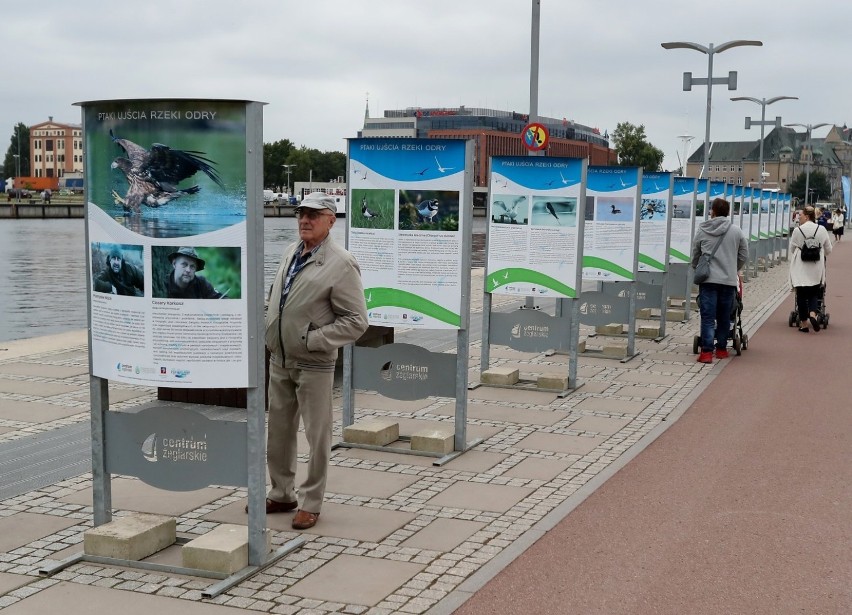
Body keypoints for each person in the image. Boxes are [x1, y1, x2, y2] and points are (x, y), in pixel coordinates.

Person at [262, 192, 368, 530]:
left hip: (314, 362)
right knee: (278, 431)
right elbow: (276, 298)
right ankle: (281, 493)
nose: (304, 220)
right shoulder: (292, 252)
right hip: (279, 358)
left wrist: (314, 340)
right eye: (301, 214)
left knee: (317, 434)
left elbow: (356, 320)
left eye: (313, 214)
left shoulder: (341, 262)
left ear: (331, 220)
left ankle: (311, 502)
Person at [691, 197, 749, 364]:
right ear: (728, 212)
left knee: (708, 316)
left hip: (708, 280)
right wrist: (733, 268)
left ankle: (707, 353)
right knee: (725, 316)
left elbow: (695, 253)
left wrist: (697, 267)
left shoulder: (703, 230)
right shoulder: (736, 231)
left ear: (713, 211)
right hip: (728, 281)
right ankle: (722, 349)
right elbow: (744, 254)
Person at [789, 206, 832, 333]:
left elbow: (792, 249)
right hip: (816, 266)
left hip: (801, 267)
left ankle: (804, 324)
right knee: (813, 292)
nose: (799, 217)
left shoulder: (798, 230)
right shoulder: (822, 229)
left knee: (801, 295)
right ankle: (813, 314)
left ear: (807, 216)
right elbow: (828, 250)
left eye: (801, 215)